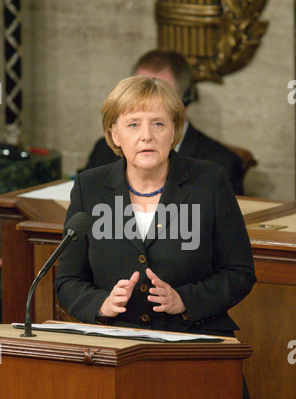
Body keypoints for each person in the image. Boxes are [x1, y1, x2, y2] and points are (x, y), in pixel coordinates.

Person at [55, 75, 256, 338]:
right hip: (116, 344)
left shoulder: (209, 181)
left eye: (158, 124)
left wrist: (184, 300)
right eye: (133, 125)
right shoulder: (89, 187)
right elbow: (68, 280)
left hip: (193, 340)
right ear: (115, 134)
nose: (146, 136)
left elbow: (239, 272)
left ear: (174, 131)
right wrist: (101, 304)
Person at [84, 49, 245, 195]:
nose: (146, 136)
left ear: (184, 102)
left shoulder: (221, 164)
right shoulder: (103, 151)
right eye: (139, 92)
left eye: (162, 94)